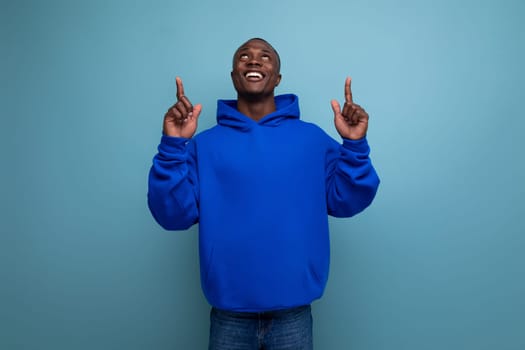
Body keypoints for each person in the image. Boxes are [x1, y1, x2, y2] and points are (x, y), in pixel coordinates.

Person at [148, 38, 380, 350]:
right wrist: (173, 145)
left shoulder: (311, 140)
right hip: (228, 315)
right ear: (234, 76)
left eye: (265, 56)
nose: (254, 61)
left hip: (293, 315)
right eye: (244, 56)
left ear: (278, 77)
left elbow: (348, 200)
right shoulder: (204, 145)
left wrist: (354, 146)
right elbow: (172, 215)